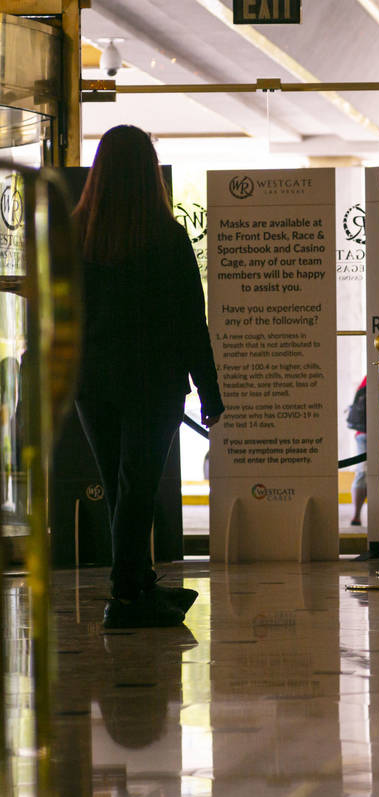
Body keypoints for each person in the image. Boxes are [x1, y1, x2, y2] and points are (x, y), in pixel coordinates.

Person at [73, 124, 223, 628]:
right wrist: (209, 389)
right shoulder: (166, 236)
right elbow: (189, 321)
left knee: (121, 488)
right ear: (148, 172)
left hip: (90, 384)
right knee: (137, 487)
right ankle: (126, 594)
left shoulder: (76, 235)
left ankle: (136, 583)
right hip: (152, 383)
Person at [347, 375, 368, 528]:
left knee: (362, 473)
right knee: (363, 474)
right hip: (370, 433)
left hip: (362, 433)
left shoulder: (366, 378)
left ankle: (356, 516)